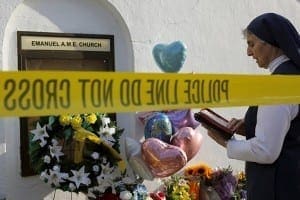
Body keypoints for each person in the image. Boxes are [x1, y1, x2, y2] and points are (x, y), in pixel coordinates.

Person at [206, 13, 300, 200]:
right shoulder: (293, 77)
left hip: (277, 189)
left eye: (252, 44)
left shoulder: (277, 85)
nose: (249, 52)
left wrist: (227, 143)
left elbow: (266, 151)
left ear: (271, 42)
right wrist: (249, 127)